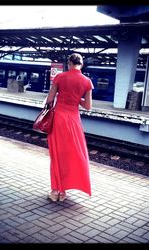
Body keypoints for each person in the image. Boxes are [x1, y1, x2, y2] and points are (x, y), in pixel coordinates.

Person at [45, 53, 94, 202]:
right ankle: (64, 192)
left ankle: (56, 192)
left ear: (69, 63)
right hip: (74, 121)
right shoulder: (87, 81)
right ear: (82, 64)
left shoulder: (60, 77)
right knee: (71, 155)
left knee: (57, 155)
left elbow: (50, 99)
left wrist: (64, 94)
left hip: (59, 119)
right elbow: (88, 106)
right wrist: (76, 97)